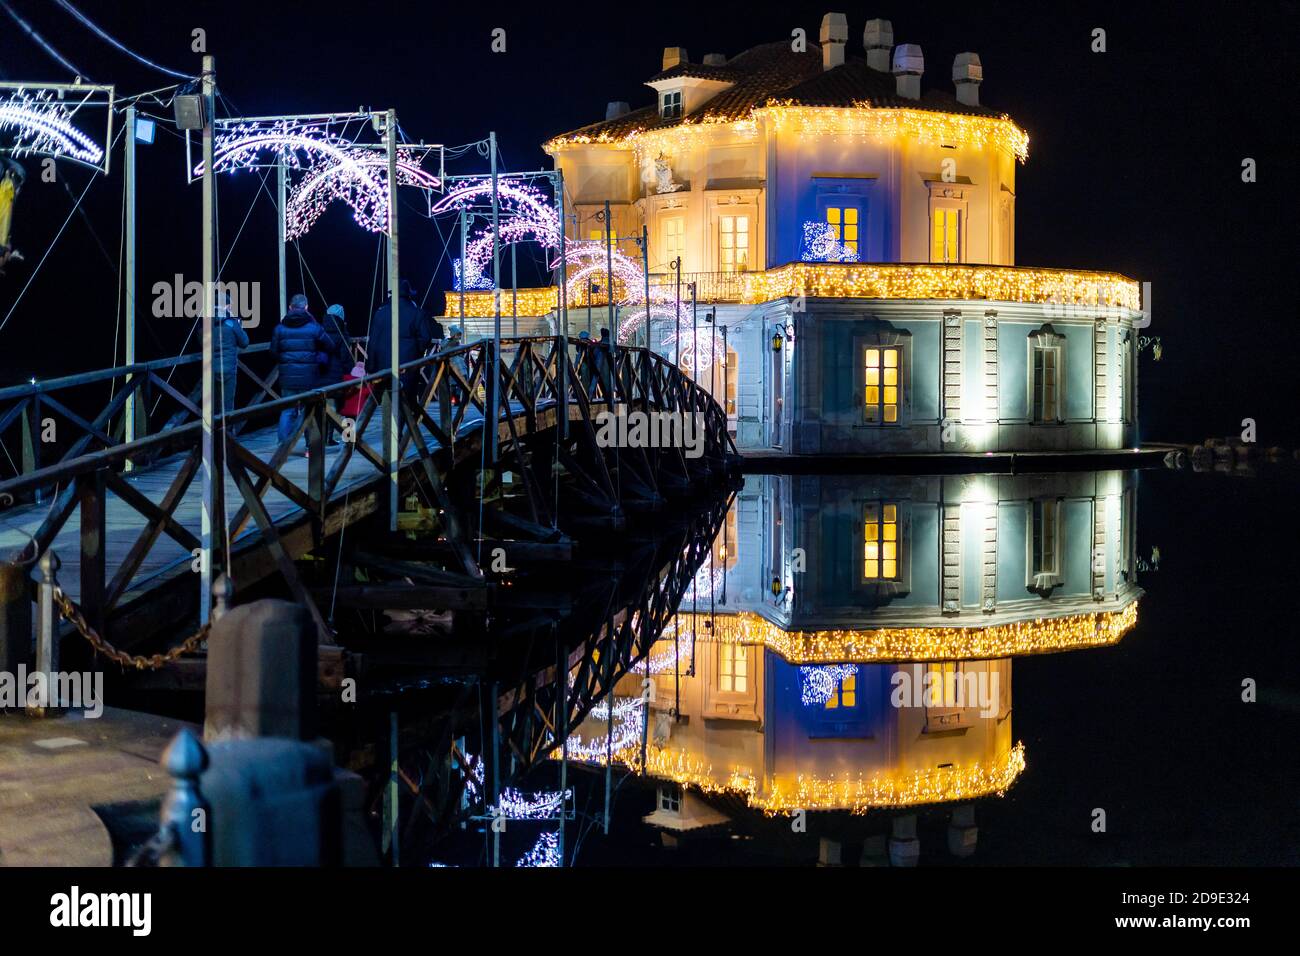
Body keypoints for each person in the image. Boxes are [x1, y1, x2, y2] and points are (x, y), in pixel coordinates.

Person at [272, 293, 328, 446]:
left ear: (290, 307)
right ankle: (311, 447)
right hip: (308, 376)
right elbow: (330, 345)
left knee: (287, 410)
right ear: (306, 307)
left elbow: (273, 352)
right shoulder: (314, 327)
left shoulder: (279, 328)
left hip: (287, 377)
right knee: (309, 410)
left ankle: (283, 446)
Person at [366, 279, 434, 404]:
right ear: (409, 295)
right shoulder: (417, 313)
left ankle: (391, 423)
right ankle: (404, 422)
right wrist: (416, 352)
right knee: (407, 402)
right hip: (407, 366)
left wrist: (371, 366)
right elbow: (426, 338)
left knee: (387, 402)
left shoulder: (380, 313)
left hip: (383, 367)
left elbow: (373, 341)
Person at [213, 291, 249, 422]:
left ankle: (213, 440)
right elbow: (244, 342)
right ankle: (228, 438)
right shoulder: (231, 322)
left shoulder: (204, 322)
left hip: (210, 370)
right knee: (227, 406)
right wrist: (239, 325)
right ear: (226, 306)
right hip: (228, 369)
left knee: (214, 407)